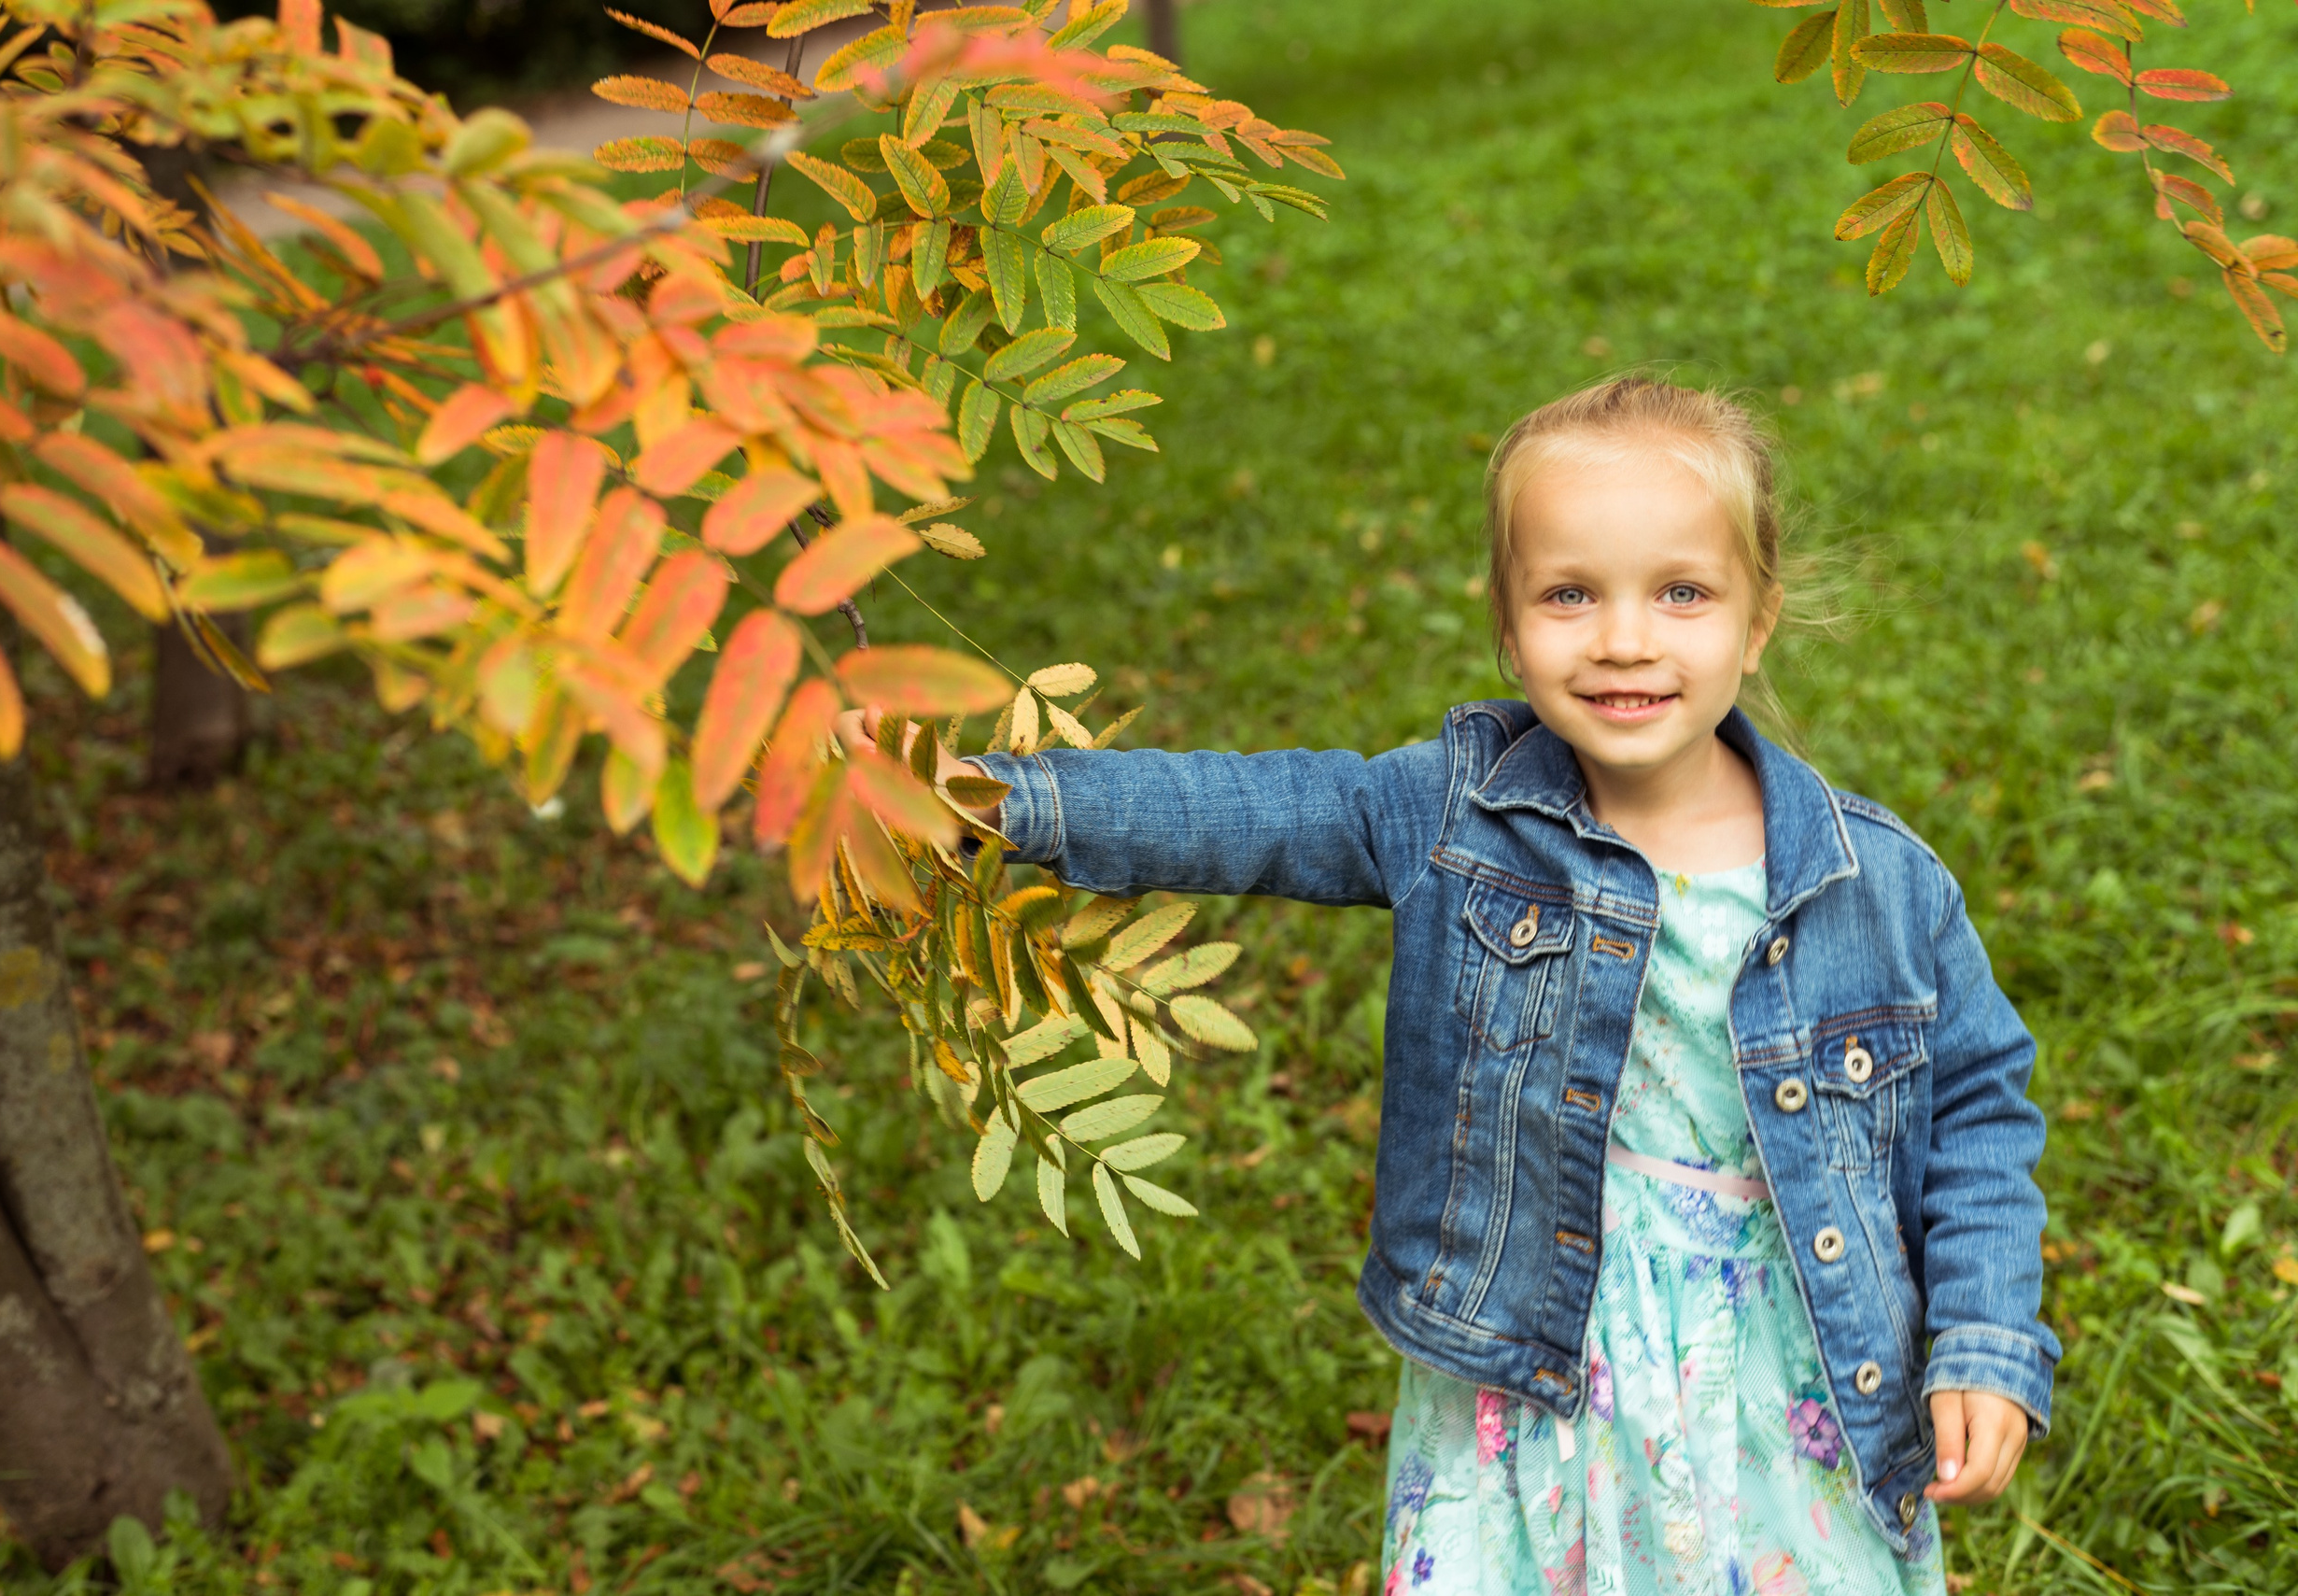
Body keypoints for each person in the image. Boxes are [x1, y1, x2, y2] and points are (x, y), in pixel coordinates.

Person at [837, 376, 2053, 1593]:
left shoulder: (1877, 883)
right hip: (1525, 1336)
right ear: (1508, 628)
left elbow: (1980, 1109)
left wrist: (1987, 1338)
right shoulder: (1456, 812)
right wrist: (988, 799)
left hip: (1790, 1360)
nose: (1624, 638)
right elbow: (1246, 810)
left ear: (1759, 617)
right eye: (1569, 593)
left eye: (1681, 592)